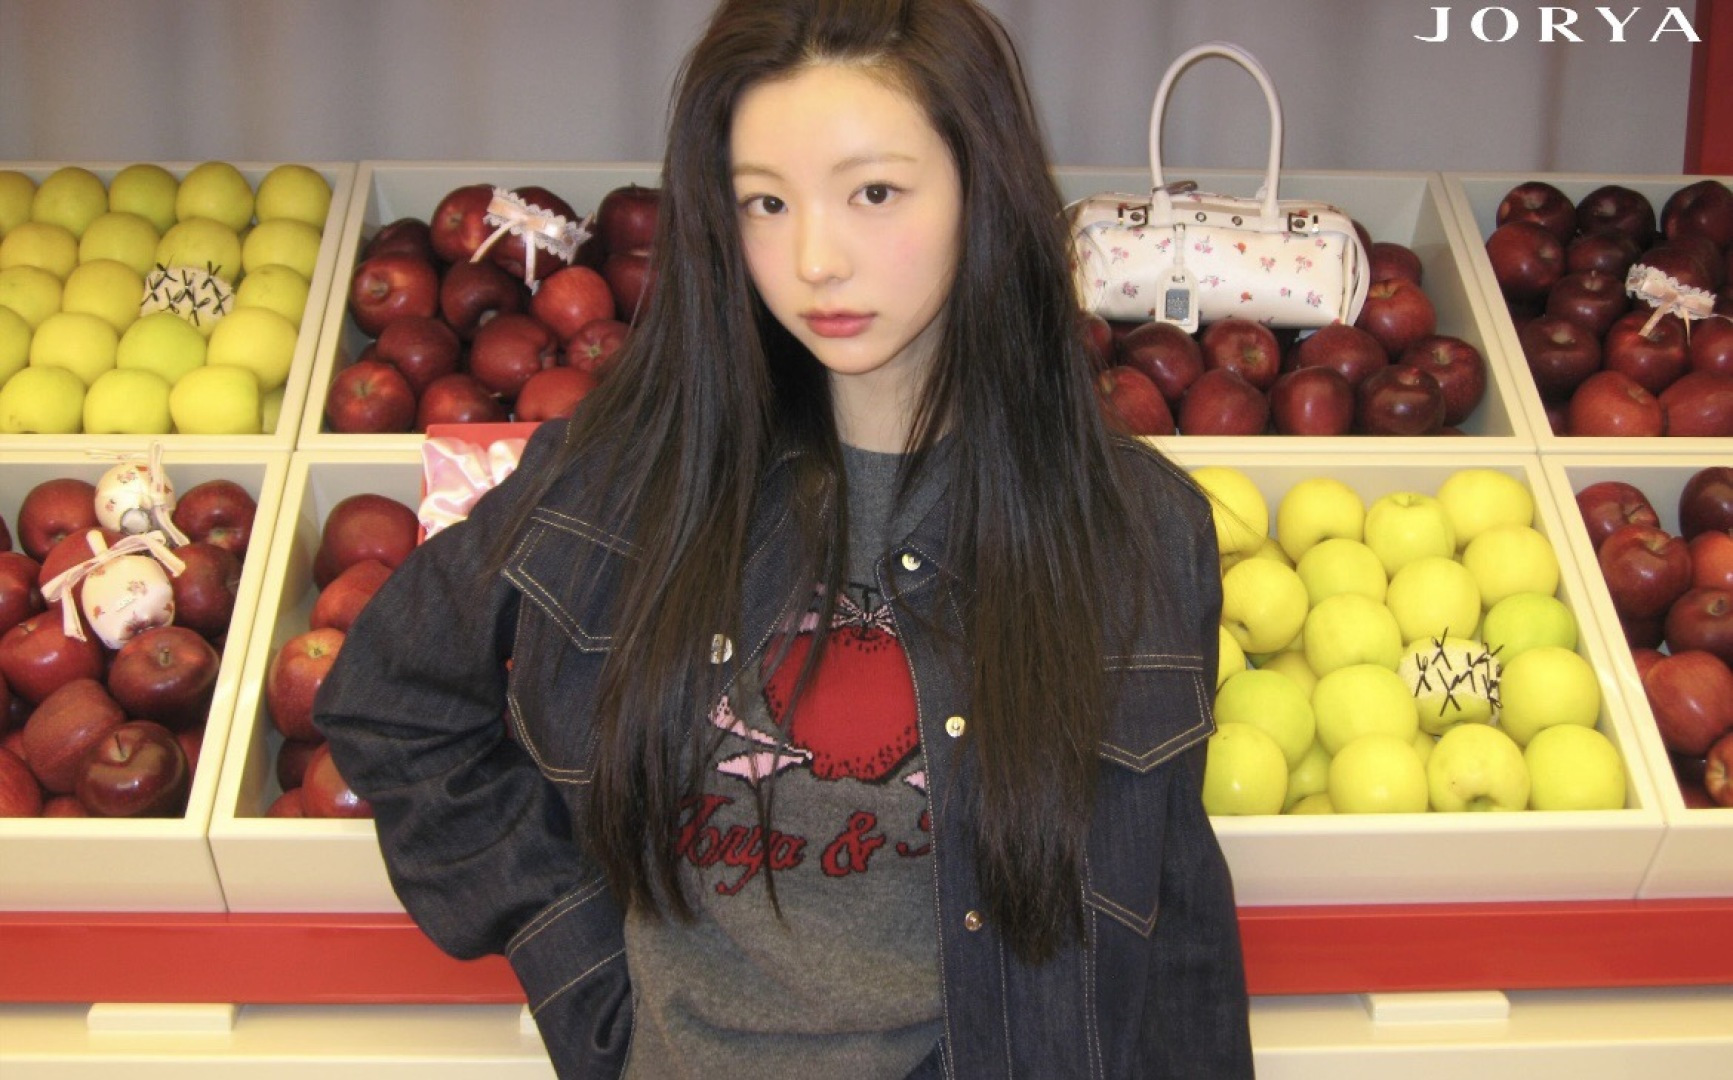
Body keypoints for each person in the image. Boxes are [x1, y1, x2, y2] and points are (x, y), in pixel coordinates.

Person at [313, 0, 1254, 1076]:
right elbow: (393, 703)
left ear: (980, 187)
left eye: (873, 193)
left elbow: (1172, 924)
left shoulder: (1135, 534)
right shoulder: (621, 481)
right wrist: (584, 978)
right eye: (764, 201)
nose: (813, 259)